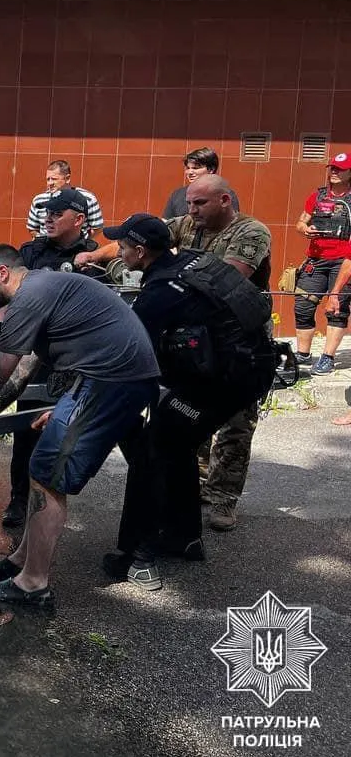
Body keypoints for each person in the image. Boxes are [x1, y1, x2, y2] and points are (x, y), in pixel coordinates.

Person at [0, 245, 159, 609]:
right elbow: (27, 365)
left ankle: (33, 585)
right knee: (40, 467)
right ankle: (20, 562)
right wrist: (1, 408)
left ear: (3, 273)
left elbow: (0, 369)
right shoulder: (42, 288)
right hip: (107, 378)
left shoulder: (28, 297)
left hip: (110, 381)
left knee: (49, 474)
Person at [101, 214, 273, 592]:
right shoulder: (194, 262)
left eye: (123, 246)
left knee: (153, 450)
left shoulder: (160, 293)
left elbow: (132, 353)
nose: (119, 252)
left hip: (221, 386)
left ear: (140, 251)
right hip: (250, 370)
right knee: (176, 444)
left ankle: (137, 557)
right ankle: (185, 537)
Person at [0, 187, 108, 531]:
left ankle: (48, 505)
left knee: (61, 434)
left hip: (74, 360)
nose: (47, 218)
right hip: (34, 356)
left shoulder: (92, 256)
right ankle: (19, 500)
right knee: (26, 431)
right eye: (46, 212)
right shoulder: (31, 252)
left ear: (79, 219)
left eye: (57, 214)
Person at [293, 153, 351, 374]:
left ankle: (327, 357)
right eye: (332, 167)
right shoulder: (317, 196)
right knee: (303, 304)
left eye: (340, 168)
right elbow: (300, 222)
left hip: (343, 261)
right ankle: (303, 353)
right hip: (316, 259)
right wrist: (304, 229)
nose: (334, 172)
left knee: (337, 308)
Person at [25, 160, 104, 237]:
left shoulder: (88, 198)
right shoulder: (38, 200)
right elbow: (32, 228)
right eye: (48, 179)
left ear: (67, 178)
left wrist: (83, 242)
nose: (50, 183)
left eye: (54, 179)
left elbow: (97, 228)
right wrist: (41, 240)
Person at [163, 147, 240, 219]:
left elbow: (233, 223)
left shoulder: (225, 194)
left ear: (211, 169)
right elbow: (167, 222)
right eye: (188, 168)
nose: (190, 172)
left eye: (195, 168)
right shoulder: (177, 194)